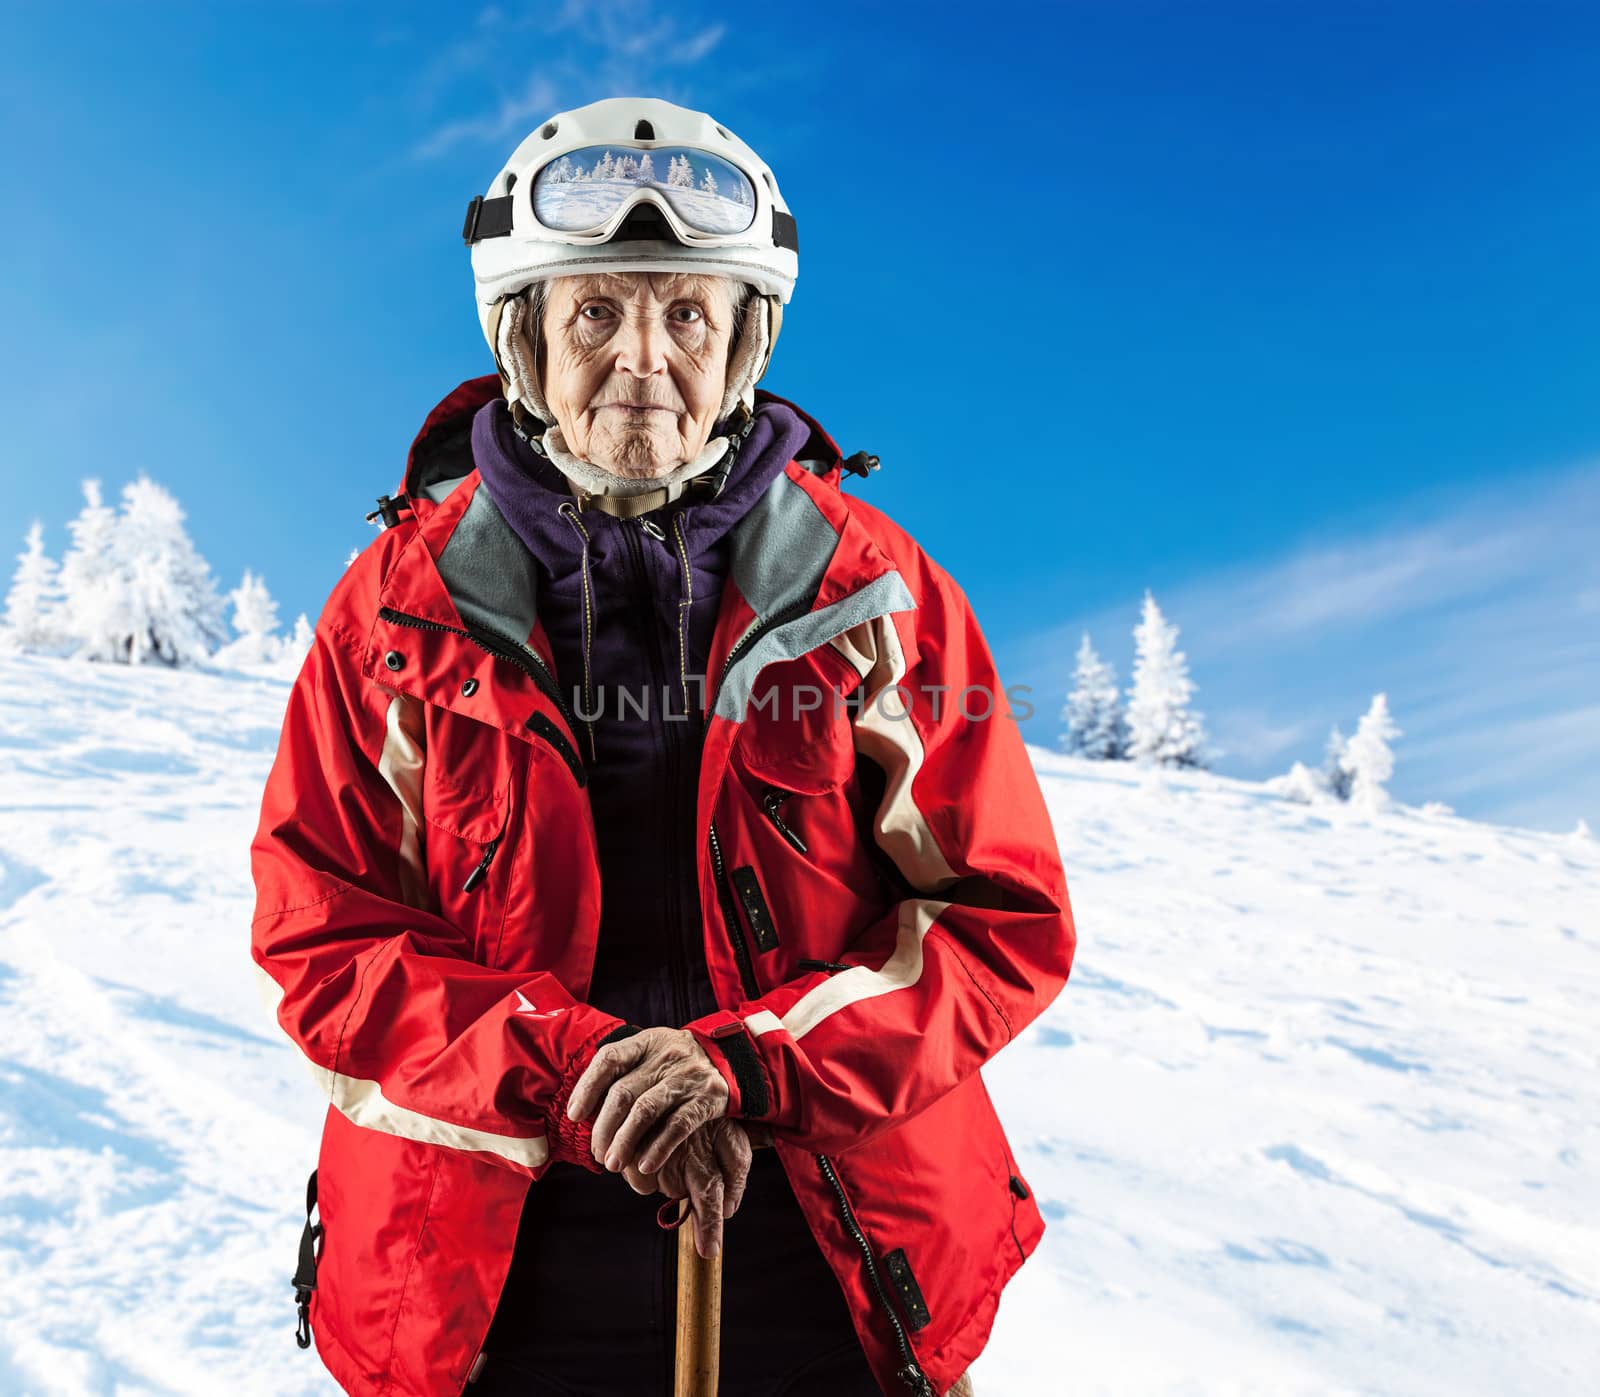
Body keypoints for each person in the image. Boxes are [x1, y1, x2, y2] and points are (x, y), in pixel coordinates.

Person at [249, 96, 1076, 1397]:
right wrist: (574, 1066)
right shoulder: (394, 608)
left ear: (745, 341)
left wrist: (747, 1062)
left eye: (687, 313)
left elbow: (1000, 914)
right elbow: (322, 937)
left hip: (833, 1279)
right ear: (522, 336)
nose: (643, 358)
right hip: (485, 1300)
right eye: (595, 312)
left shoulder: (871, 591)